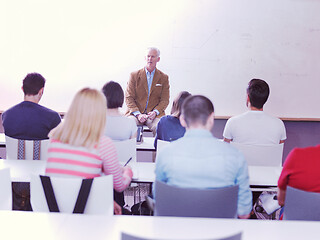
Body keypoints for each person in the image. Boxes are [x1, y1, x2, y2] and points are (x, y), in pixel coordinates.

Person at [155, 95, 252, 219]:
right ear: (211, 119)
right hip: (222, 234)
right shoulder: (236, 156)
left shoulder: (165, 154)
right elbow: (244, 213)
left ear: (182, 120)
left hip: (178, 232)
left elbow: (160, 202)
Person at [45, 88, 133, 215]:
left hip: (56, 214)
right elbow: (119, 186)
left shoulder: (54, 140)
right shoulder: (103, 143)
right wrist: (127, 170)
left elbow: (69, 181)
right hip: (88, 217)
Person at [223, 79, 286, 145]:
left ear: (248, 97)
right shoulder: (279, 124)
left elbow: (226, 150)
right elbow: (278, 151)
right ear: (266, 98)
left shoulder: (232, 122)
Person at [2, 72, 61, 140]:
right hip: (41, 151)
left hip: (15, 151)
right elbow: (59, 143)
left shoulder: (6, 115)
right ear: (41, 91)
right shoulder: (53, 117)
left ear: (22, 89)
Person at [125, 47, 170, 135]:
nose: (150, 59)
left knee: (160, 128)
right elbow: (129, 98)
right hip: (135, 114)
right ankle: (130, 148)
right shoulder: (134, 75)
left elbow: (165, 100)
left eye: (153, 56)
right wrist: (138, 114)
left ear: (158, 59)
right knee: (128, 125)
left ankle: (158, 149)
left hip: (154, 115)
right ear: (145, 58)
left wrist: (155, 112)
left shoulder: (164, 78)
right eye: (148, 56)